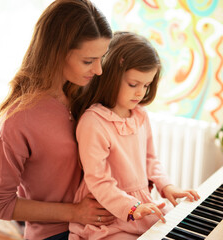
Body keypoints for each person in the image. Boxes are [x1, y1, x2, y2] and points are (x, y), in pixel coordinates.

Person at [0, 1, 115, 239]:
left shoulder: (82, 91)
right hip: (56, 234)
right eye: (88, 61)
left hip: (98, 228)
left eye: (101, 58)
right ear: (56, 53)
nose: (98, 70)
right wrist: (75, 213)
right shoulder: (18, 121)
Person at [69, 31, 200, 240]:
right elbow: (99, 181)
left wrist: (167, 186)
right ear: (112, 76)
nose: (140, 93)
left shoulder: (140, 115)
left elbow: (150, 159)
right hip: (109, 217)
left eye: (146, 85)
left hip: (141, 208)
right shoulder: (93, 122)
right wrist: (131, 207)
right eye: (133, 84)